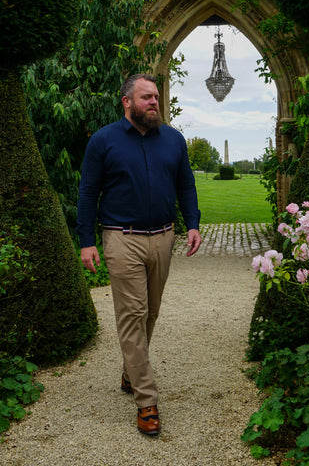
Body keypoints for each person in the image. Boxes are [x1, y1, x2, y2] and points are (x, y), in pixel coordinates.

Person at [77, 73, 201, 436]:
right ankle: (147, 401)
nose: (154, 103)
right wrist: (87, 241)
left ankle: (132, 370)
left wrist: (192, 223)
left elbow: (186, 184)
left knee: (151, 312)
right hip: (122, 239)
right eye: (146, 97)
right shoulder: (103, 141)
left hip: (163, 238)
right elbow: (88, 193)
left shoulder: (174, 140)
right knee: (133, 314)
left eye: (157, 98)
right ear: (127, 102)